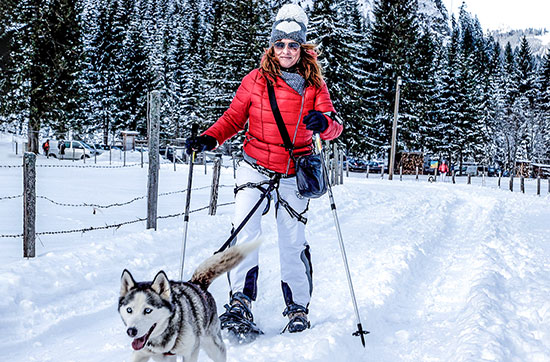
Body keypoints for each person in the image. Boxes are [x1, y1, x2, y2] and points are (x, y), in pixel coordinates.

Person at [185, 4, 342, 336]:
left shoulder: (314, 85)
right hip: (254, 167)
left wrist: (323, 122)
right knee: (245, 235)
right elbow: (232, 118)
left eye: (293, 44)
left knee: (292, 241)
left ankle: (297, 307)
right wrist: (209, 138)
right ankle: (240, 302)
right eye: (280, 44)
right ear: (272, 46)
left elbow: (334, 126)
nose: (286, 50)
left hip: (292, 172)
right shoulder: (255, 81)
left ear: (302, 47)